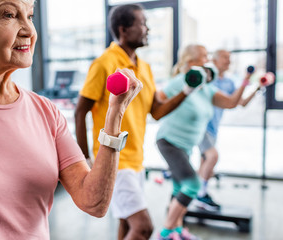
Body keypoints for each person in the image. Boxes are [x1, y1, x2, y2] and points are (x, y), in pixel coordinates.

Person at [0, 0, 143, 239]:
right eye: (9, 15)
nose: (29, 30)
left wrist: (115, 114)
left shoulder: (45, 111)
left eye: (29, 16)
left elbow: (93, 202)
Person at [75, 4, 195, 240]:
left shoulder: (145, 68)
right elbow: (81, 111)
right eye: (142, 23)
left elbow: (157, 111)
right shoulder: (104, 63)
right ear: (124, 29)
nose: (147, 29)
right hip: (114, 162)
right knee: (143, 227)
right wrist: (84, 159)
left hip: (136, 160)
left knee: (126, 225)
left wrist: (188, 89)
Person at [156, 44, 253, 240]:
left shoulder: (207, 88)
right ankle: (165, 233)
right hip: (169, 142)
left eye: (208, 56)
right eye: (203, 57)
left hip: (186, 146)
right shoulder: (179, 82)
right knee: (192, 185)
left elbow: (232, 103)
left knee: (178, 189)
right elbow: (157, 104)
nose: (207, 61)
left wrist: (246, 81)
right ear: (190, 62)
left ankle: (177, 230)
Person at [195, 49, 260, 211]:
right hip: (200, 126)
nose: (228, 61)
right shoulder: (208, 79)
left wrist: (257, 87)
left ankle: (193, 194)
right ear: (214, 60)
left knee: (205, 165)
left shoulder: (229, 83)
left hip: (213, 128)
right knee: (212, 157)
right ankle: (200, 195)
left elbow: (240, 102)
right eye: (225, 57)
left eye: (230, 58)